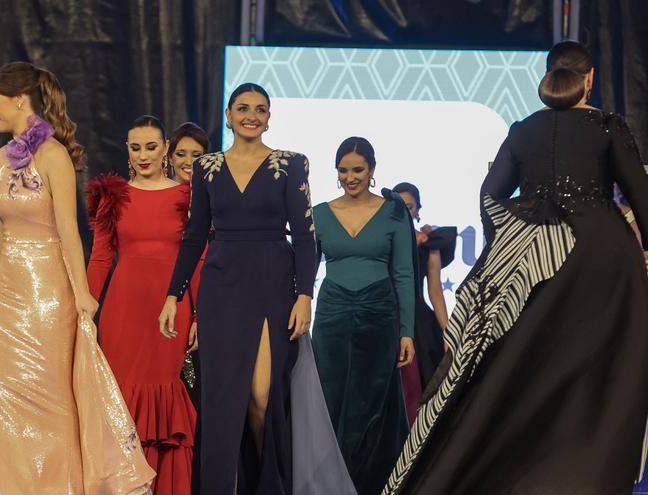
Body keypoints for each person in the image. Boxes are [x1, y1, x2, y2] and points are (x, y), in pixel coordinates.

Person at [384, 41, 648, 495]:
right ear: (590, 79)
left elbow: (490, 197)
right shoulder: (608, 126)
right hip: (606, 264)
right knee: (604, 378)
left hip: (536, 265)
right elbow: (643, 201)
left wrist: (514, 240)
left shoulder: (523, 129)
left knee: (526, 373)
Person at [0, 62, 154, 494]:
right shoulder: (1, 158)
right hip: (6, 296)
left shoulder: (54, 155)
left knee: (47, 400)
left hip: (48, 295)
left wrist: (82, 297)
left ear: (20, 99)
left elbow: (70, 233)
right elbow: (1, 226)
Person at [159, 83, 355, 494]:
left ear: (269, 117)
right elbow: (194, 236)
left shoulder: (291, 163)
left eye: (261, 109)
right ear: (229, 115)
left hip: (273, 285)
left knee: (263, 397)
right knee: (223, 403)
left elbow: (305, 236)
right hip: (221, 288)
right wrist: (173, 295)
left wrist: (305, 296)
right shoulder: (206, 167)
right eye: (243, 108)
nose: (252, 115)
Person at [86, 115, 197, 495]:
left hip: (170, 311)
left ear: (165, 148)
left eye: (151, 146)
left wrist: (197, 313)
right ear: (127, 150)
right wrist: (86, 310)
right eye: (136, 147)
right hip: (122, 310)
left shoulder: (188, 196)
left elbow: (197, 258)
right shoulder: (113, 196)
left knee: (163, 396)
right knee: (121, 395)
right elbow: (101, 258)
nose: (144, 155)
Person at [311, 137, 416, 495]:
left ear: (372, 170)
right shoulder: (320, 213)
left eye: (358, 169)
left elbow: (404, 273)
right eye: (343, 170)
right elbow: (305, 275)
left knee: (374, 404)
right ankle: (330, 486)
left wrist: (407, 332)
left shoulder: (394, 211)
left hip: (379, 315)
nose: (350, 177)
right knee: (331, 399)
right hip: (332, 317)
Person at [392, 182, 457, 387]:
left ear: (417, 210)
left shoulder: (430, 244)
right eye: (399, 206)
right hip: (383, 318)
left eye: (409, 206)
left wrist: (448, 333)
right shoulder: (381, 242)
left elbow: (435, 292)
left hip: (419, 323)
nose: (404, 211)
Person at [167, 121, 211, 406]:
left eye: (196, 155)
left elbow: (204, 259)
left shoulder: (213, 201)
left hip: (200, 301)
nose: (188, 162)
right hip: (161, 299)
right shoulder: (158, 196)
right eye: (181, 153)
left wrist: (198, 315)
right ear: (169, 156)